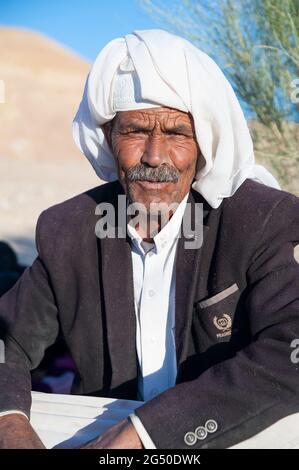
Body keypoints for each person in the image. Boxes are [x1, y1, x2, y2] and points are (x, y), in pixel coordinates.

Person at [0, 29, 299, 449]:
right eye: (136, 131)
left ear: (204, 143)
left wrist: (145, 435)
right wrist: (8, 423)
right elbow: (7, 339)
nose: (155, 156)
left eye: (176, 133)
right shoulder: (69, 230)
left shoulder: (259, 220)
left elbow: (292, 348)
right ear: (108, 138)